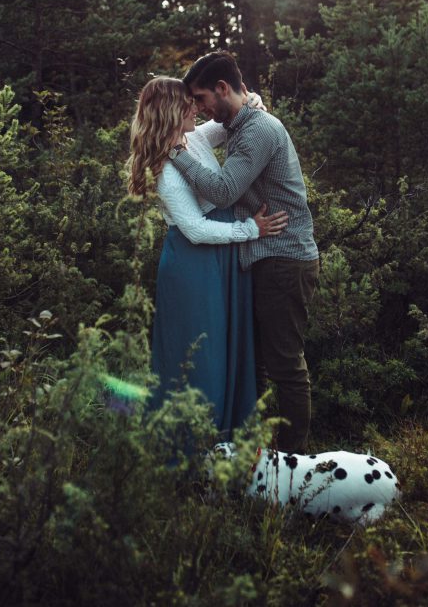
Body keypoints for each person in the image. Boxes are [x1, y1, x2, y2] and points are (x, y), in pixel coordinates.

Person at [168, 52, 319, 454]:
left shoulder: (256, 131)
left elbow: (221, 192)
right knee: (259, 363)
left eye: (200, 99)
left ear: (222, 89)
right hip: (265, 256)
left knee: (285, 363)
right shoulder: (239, 122)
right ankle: (260, 455)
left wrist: (176, 154)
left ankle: (294, 462)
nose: (197, 110)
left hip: (284, 258)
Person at [127, 76, 288, 439]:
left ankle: (228, 439)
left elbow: (233, 117)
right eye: (190, 103)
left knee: (225, 347)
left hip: (220, 260)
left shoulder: (192, 139)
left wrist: (249, 98)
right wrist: (251, 230)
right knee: (201, 357)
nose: (197, 109)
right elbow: (196, 230)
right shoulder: (167, 169)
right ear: (173, 110)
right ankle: (191, 448)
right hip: (193, 265)